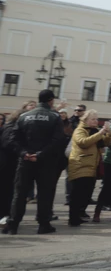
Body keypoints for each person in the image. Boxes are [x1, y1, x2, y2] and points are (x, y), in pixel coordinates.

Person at [4, 90, 67, 235]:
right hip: (46, 161)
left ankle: (13, 224)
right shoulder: (54, 116)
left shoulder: (24, 116)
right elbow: (57, 140)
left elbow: (13, 138)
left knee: (19, 193)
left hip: (25, 160)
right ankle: (43, 224)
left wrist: (23, 153)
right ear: (51, 100)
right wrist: (40, 154)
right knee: (45, 193)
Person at [68, 109, 111, 226]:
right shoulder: (80, 130)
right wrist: (101, 132)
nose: (96, 121)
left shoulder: (94, 130)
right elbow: (83, 142)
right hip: (80, 165)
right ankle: (73, 218)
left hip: (92, 167)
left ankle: (79, 214)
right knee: (77, 195)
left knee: (86, 194)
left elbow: (105, 143)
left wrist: (108, 133)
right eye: (93, 119)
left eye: (96, 119)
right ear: (85, 120)